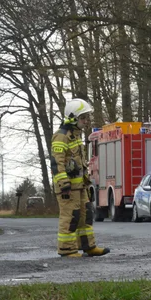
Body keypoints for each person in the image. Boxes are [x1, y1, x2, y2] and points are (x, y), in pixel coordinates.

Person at [51, 98, 109, 258]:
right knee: (70, 217)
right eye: (82, 117)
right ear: (72, 117)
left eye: (86, 117)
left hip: (80, 186)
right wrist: (64, 184)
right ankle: (67, 250)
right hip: (67, 188)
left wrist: (87, 183)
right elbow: (57, 163)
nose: (86, 121)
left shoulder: (74, 136)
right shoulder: (61, 137)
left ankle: (88, 247)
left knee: (86, 216)